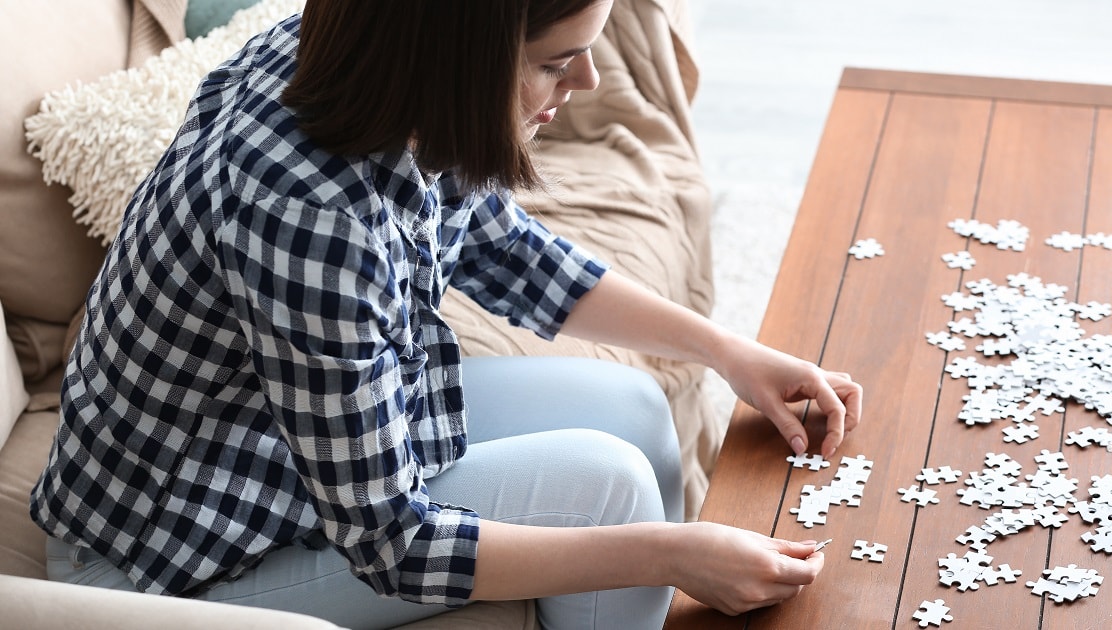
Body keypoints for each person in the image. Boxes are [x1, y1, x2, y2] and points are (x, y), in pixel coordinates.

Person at [31, 1, 863, 629]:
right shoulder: (313, 219)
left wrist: (727, 352)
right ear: (461, 60)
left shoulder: (369, 73)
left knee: (639, 408)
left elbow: (505, 250)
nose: (587, 83)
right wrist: (672, 555)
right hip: (172, 556)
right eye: (555, 62)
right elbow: (391, 542)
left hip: (283, 450)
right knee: (611, 490)